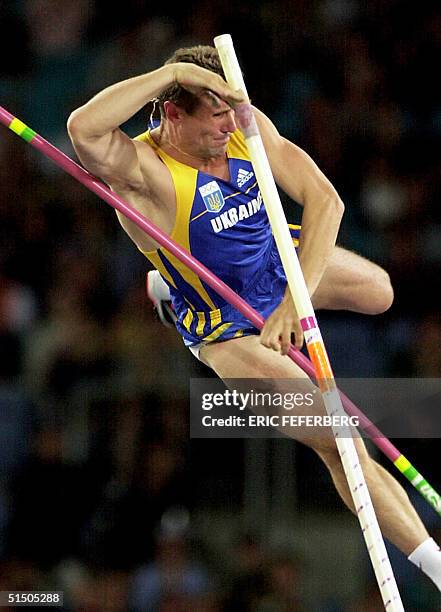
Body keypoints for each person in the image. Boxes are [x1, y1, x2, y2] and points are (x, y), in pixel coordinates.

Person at [67, 45, 441, 593]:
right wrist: (171, 73)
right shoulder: (144, 171)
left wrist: (298, 300)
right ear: (174, 113)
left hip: (274, 265)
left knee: (380, 292)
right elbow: (83, 128)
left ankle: (165, 289)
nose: (229, 124)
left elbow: (326, 202)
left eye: (231, 110)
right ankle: (435, 565)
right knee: (339, 438)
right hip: (226, 322)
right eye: (214, 114)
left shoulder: (242, 122)